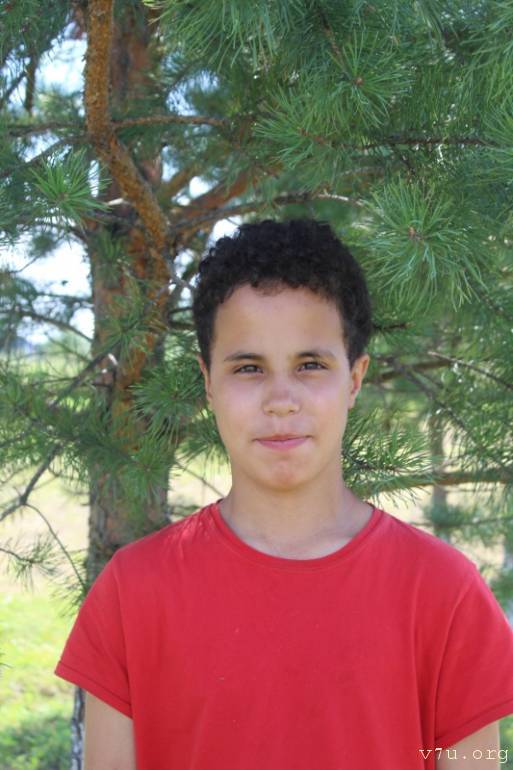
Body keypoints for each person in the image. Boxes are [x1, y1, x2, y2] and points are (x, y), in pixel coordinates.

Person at [54, 218, 513, 770]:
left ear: (354, 378)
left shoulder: (445, 594)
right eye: (249, 367)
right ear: (208, 381)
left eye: (310, 365)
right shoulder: (132, 593)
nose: (280, 399)